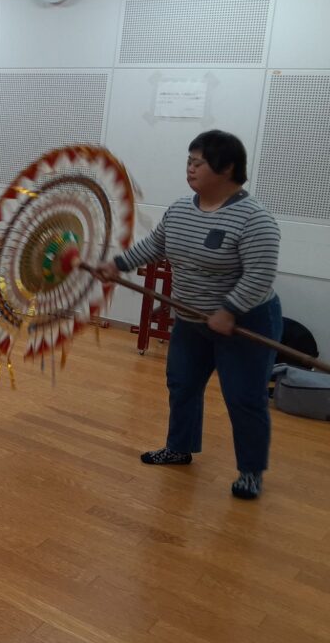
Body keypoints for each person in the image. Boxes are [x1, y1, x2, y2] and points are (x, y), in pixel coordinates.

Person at [95, 129, 282, 500]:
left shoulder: (255, 219)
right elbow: (156, 245)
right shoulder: (181, 209)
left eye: (198, 163)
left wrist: (229, 310)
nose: (190, 168)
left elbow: (260, 276)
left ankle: (250, 472)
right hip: (192, 320)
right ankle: (179, 448)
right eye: (189, 161)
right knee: (181, 384)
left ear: (226, 168)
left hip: (245, 323)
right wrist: (118, 264)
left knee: (244, 398)